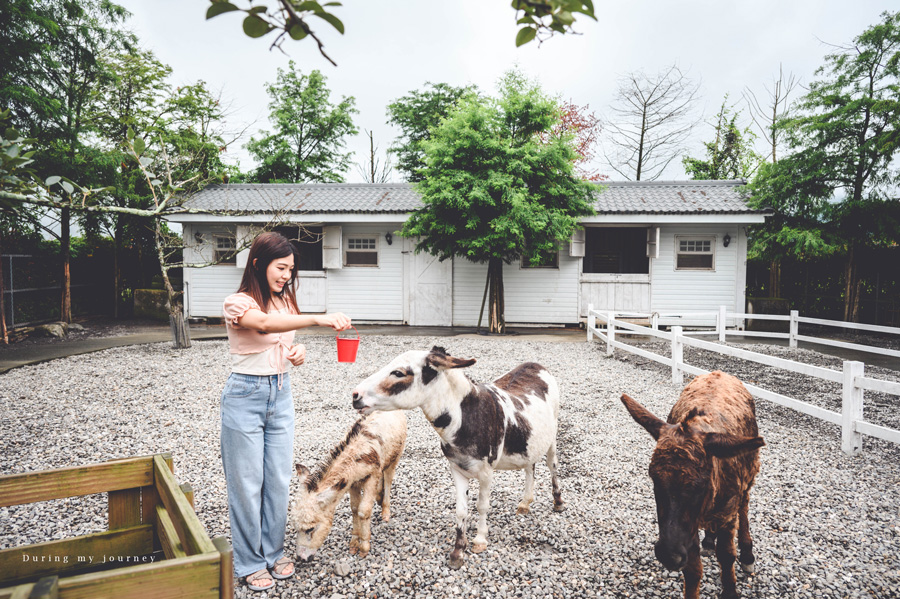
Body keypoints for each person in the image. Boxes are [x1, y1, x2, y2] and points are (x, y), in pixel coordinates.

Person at [220, 231, 351, 592]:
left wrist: (298, 353)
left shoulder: (286, 304)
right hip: (244, 395)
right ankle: (249, 561)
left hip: (280, 393)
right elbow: (261, 324)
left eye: (291, 270)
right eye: (281, 268)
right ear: (259, 264)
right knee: (247, 485)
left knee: (277, 480)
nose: (286, 276)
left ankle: (273, 552)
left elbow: (283, 338)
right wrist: (318, 319)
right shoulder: (237, 302)